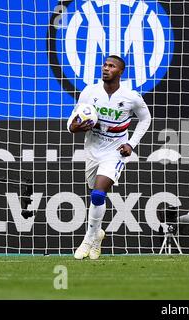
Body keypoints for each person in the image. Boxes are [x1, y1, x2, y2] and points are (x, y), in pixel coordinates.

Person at [67, 55, 151, 260]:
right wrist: (75, 127)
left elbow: (146, 119)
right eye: (104, 65)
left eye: (111, 66)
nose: (106, 68)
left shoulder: (131, 96)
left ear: (120, 72)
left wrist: (131, 144)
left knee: (98, 195)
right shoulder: (90, 92)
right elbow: (72, 122)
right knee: (94, 196)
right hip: (92, 149)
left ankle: (88, 238)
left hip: (115, 152)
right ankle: (98, 235)